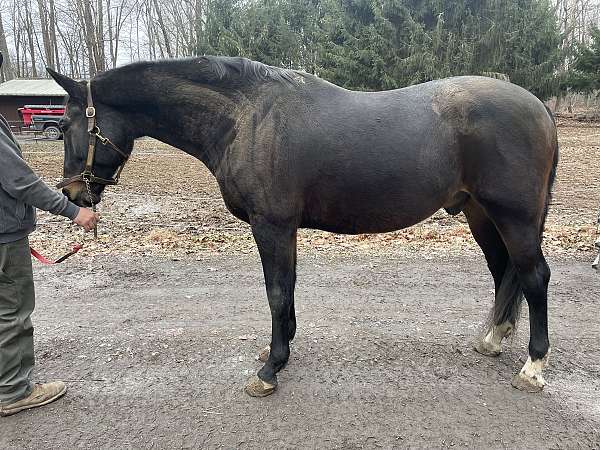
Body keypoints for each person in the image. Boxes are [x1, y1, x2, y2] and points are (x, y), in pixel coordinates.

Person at [0, 52, 99, 417]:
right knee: (12, 312)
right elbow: (21, 182)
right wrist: (75, 211)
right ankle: (14, 391)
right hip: (3, 238)